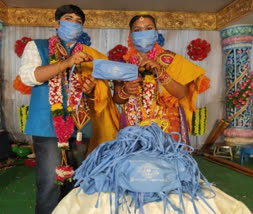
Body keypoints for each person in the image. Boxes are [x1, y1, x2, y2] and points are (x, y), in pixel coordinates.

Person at [18, 4, 119, 214]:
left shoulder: (90, 55)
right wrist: (66, 63)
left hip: (81, 126)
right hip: (47, 126)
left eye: (78, 21)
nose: (73, 23)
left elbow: (99, 92)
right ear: (56, 23)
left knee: (78, 181)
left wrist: (90, 89)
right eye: (68, 18)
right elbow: (30, 76)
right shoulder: (37, 46)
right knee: (49, 183)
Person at [113, 14, 210, 144]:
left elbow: (182, 93)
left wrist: (161, 73)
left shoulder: (171, 59)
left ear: (156, 32)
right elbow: (117, 99)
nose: (143, 33)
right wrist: (126, 90)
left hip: (166, 125)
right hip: (133, 124)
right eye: (137, 30)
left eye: (148, 28)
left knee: (166, 162)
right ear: (130, 34)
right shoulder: (123, 63)